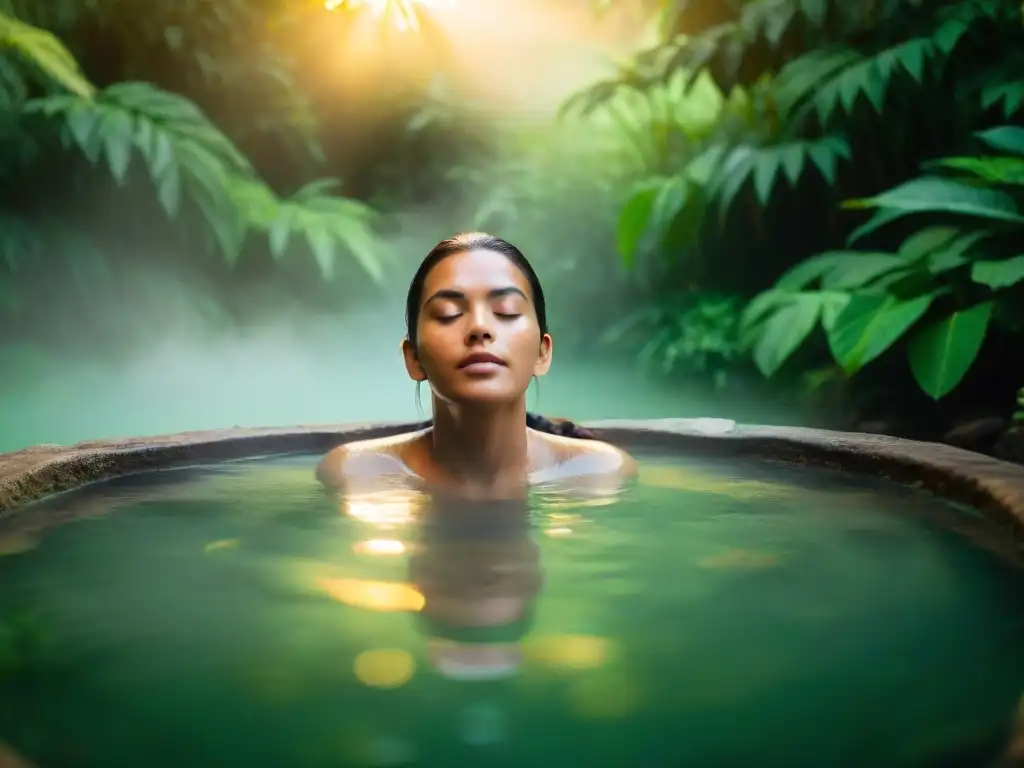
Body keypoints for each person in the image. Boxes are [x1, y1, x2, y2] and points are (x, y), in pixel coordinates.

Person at [316, 232, 636, 498]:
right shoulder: (357, 474)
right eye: (447, 314)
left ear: (542, 352)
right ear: (413, 358)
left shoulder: (597, 474)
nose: (479, 328)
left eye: (507, 311)